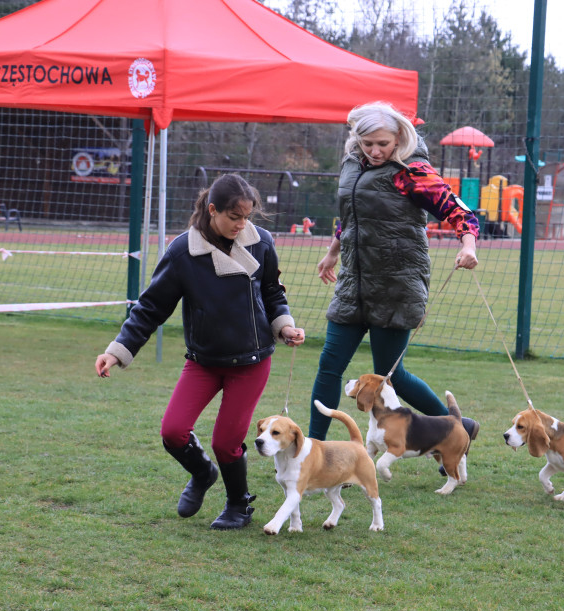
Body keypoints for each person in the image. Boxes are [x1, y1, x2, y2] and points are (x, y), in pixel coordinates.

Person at [95, 173, 305, 530]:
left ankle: (239, 504)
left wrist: (284, 325)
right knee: (172, 431)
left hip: (251, 361)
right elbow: (151, 307)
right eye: (234, 217)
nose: (241, 225)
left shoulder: (261, 243)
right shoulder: (182, 252)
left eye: (247, 217)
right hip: (204, 361)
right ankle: (203, 473)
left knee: (227, 442)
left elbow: (272, 291)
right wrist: (118, 350)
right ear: (212, 210)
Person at [309, 101, 481, 456]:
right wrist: (333, 249)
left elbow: (456, 209)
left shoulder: (411, 171)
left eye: (383, 144)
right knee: (329, 366)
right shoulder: (352, 164)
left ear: (399, 138)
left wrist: (469, 244)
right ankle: (316, 449)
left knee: (393, 375)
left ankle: (457, 433)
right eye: (367, 143)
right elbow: (353, 213)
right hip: (353, 283)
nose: (374, 151)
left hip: (396, 285)